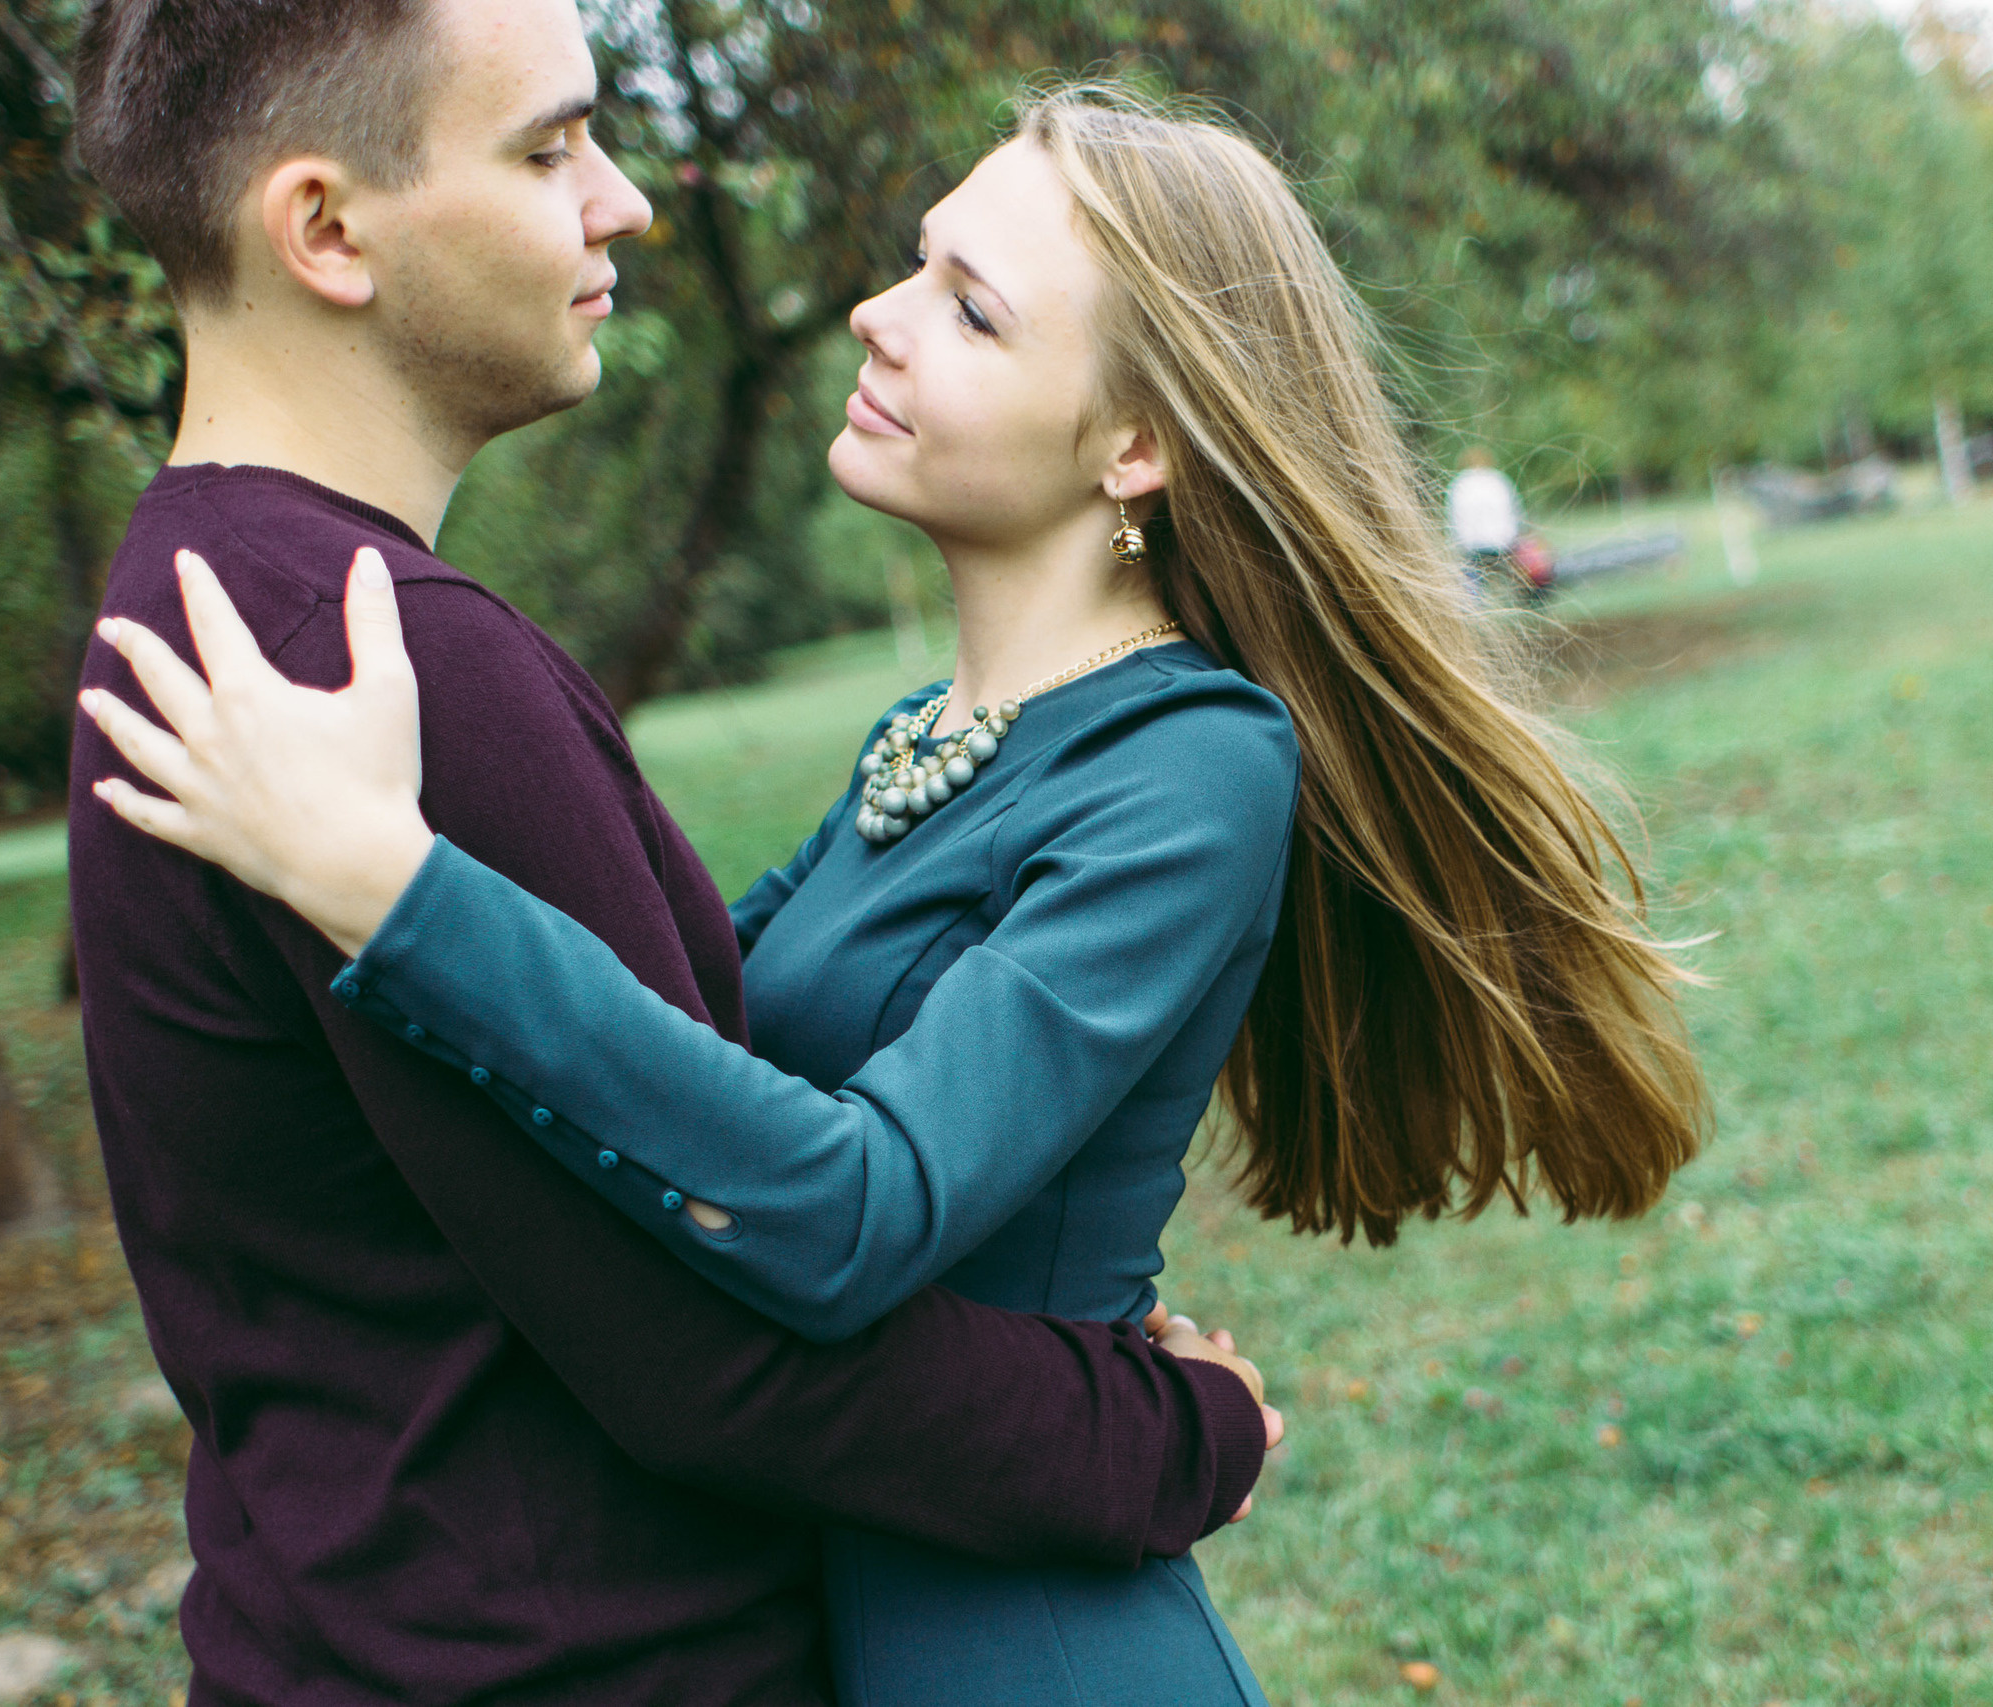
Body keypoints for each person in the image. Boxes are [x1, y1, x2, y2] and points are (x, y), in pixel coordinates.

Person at [82, 85, 1710, 1707]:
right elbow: (690, 1039)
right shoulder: (923, 741)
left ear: (1135, 446)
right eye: (918, 263)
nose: (878, 312)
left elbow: (858, 1203)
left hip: (1026, 1646)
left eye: (970, 307)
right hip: (859, 1588)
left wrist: (396, 889)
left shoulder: (1193, 764)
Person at [62, 7, 1273, 1705]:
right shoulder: (366, 665)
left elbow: (719, 1107)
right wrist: (1171, 1429)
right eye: (548, 146)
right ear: (326, 229)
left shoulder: (218, 603)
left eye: (972, 301)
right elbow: (724, 1350)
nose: (625, 198)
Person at [1445, 445, 1526, 597]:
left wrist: (1459, 544)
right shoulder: (1499, 480)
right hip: (1501, 542)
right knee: (1505, 581)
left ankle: (1475, 602)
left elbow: (1456, 519)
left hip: (1472, 544)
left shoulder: (1460, 483)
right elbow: (1514, 512)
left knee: (1473, 580)